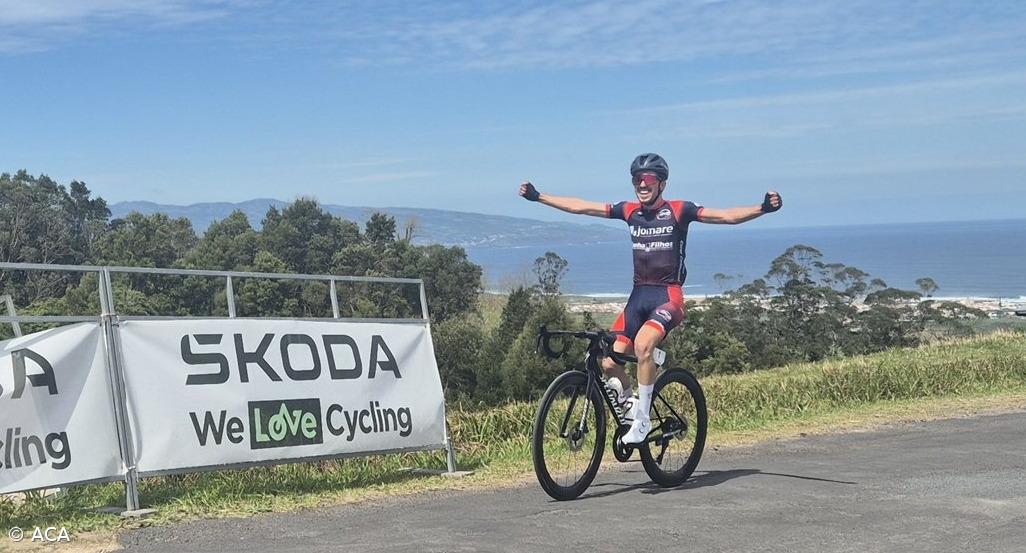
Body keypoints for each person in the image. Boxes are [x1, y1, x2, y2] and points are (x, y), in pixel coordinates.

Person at [518, 153, 782, 444]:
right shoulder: (629, 211)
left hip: (667, 296)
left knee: (643, 345)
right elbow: (581, 207)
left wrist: (762, 208)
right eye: (636, 179)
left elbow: (726, 216)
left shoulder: (679, 210)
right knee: (609, 362)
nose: (641, 184)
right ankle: (631, 406)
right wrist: (538, 197)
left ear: (661, 184)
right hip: (638, 296)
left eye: (648, 179)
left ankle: (642, 422)